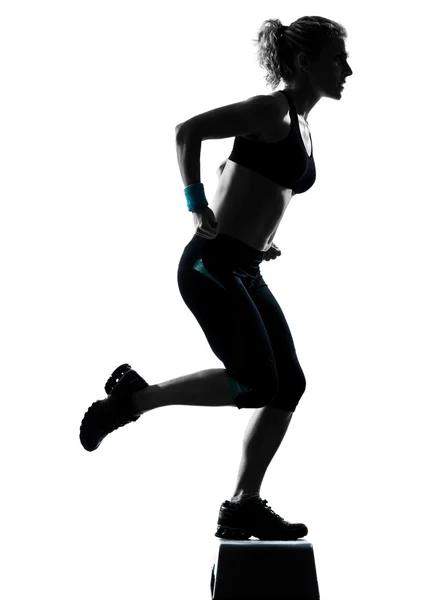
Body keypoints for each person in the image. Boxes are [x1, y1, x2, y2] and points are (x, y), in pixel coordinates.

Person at [80, 15, 353, 541]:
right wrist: (195, 203)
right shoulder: (272, 110)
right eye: (337, 57)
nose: (348, 68)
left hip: (243, 266)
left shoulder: (302, 124)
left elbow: (252, 179)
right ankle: (135, 400)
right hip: (211, 266)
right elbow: (188, 131)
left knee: (287, 385)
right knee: (256, 383)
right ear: (304, 62)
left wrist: (261, 238)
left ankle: (243, 504)